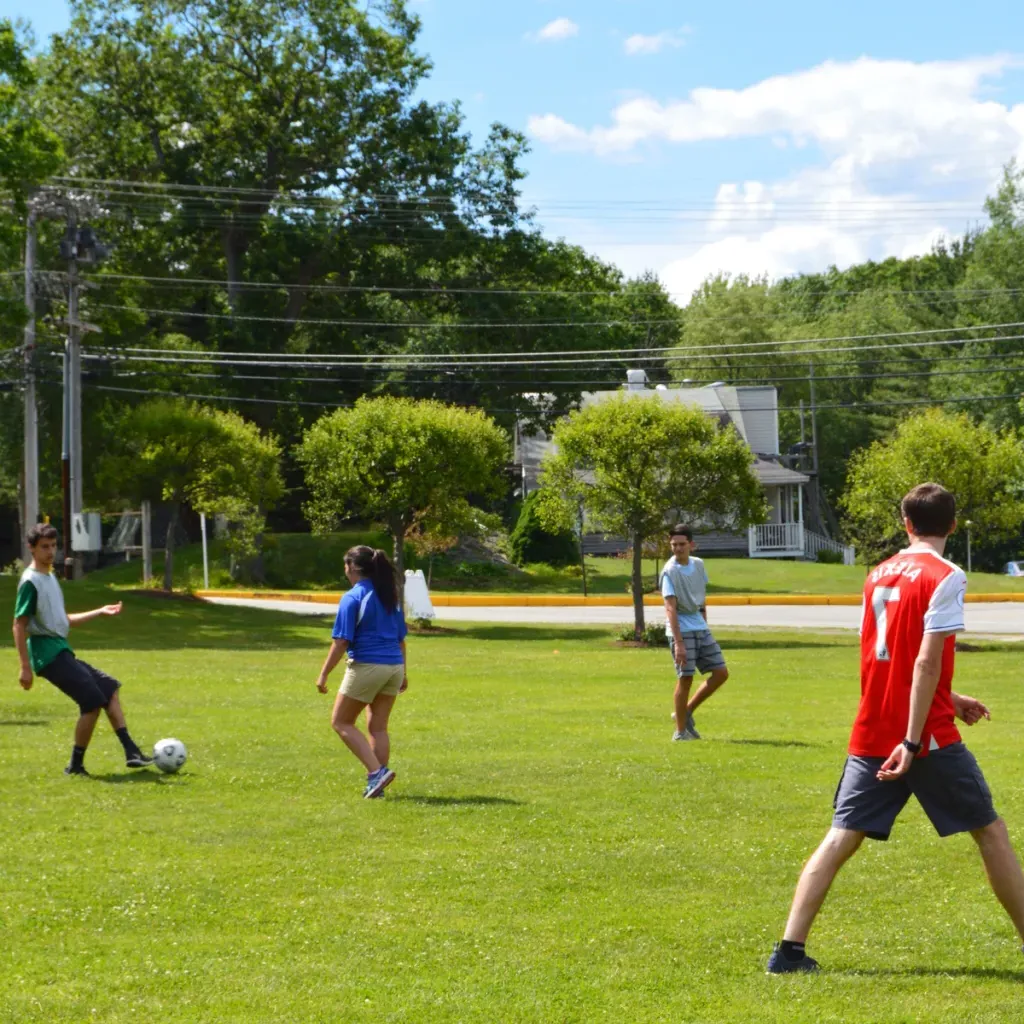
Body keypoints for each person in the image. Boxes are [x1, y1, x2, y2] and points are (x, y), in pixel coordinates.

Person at [767, 483, 1024, 974]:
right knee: (990, 832)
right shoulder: (947, 574)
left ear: (906, 524)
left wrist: (951, 698)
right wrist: (912, 739)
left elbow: (886, 659)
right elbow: (925, 660)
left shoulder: (877, 574)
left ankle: (788, 952)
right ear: (952, 525)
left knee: (841, 835)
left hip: (873, 729)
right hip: (922, 737)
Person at [13, 523, 153, 776]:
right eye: (44, 547)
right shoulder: (31, 582)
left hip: (61, 650)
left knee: (108, 688)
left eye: (53, 546)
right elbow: (19, 624)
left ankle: (131, 752)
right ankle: (75, 766)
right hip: (47, 654)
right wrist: (25, 667)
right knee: (91, 702)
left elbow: (62, 621)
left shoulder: (50, 577)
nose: (50, 551)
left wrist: (99, 612)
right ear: (31, 548)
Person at [316, 545, 408, 799]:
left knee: (341, 722)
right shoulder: (390, 596)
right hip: (394, 666)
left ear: (353, 568)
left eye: (345, 565)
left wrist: (323, 675)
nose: (344, 570)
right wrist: (404, 672)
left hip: (369, 665)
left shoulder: (353, 597)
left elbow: (342, 641)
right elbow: (401, 639)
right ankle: (377, 786)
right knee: (378, 727)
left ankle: (376, 773)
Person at [661, 524, 729, 741]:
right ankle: (680, 732)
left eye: (682, 544)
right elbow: (670, 608)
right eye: (674, 545)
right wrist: (679, 643)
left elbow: (701, 598)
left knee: (721, 673)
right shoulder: (669, 571)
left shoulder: (698, 565)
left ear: (692, 545)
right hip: (680, 629)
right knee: (686, 678)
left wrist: (705, 623)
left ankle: (686, 711)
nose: (678, 549)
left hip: (699, 627)